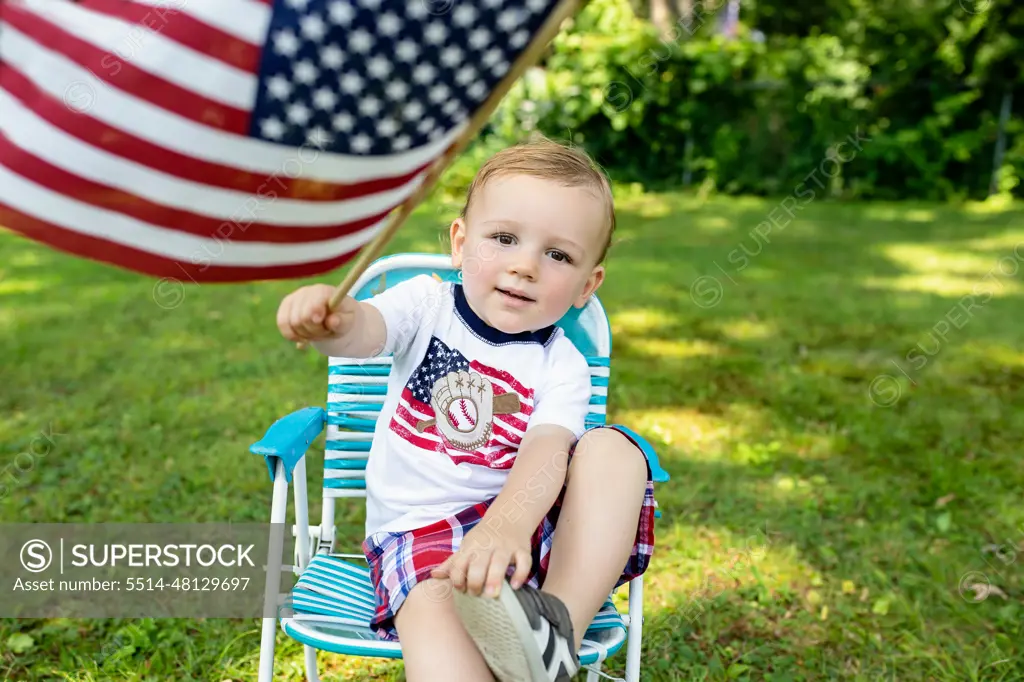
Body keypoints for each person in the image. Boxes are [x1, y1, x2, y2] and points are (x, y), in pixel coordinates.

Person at [276, 137, 658, 682]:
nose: (525, 265)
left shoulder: (562, 364)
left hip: (532, 532)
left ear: (586, 285)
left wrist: (505, 526)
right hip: (421, 538)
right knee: (439, 623)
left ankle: (555, 636)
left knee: (615, 450)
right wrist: (336, 323)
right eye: (504, 238)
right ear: (460, 243)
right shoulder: (424, 304)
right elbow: (367, 332)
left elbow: (548, 451)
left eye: (558, 255)